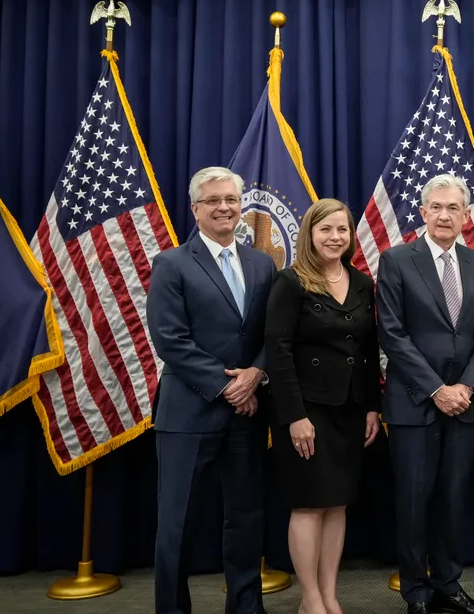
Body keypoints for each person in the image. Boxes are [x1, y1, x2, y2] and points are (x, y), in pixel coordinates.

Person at [148, 166, 277, 614]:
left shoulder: (262, 264)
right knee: (177, 524)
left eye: (231, 199)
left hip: (247, 414)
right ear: (196, 209)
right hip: (189, 413)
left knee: (245, 520)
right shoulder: (171, 264)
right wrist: (228, 387)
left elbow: (271, 335)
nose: (224, 207)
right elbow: (170, 339)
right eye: (214, 201)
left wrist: (256, 374)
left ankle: (246, 608)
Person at [377, 173, 474, 614]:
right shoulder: (396, 260)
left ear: (466, 216)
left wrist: (464, 387)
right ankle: (417, 592)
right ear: (423, 212)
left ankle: (449, 585)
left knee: (453, 498)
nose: (445, 215)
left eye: (454, 208)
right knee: (413, 499)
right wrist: (435, 389)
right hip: (414, 403)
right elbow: (392, 334)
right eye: (437, 207)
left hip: (464, 403)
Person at [264, 198, 381, 614]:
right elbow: (277, 352)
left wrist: (371, 406)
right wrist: (295, 416)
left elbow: (368, 350)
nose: (335, 238)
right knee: (309, 503)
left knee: (337, 503)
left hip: (349, 409)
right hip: (305, 410)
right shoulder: (290, 282)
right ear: (309, 234)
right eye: (326, 230)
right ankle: (310, 598)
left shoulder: (363, 282)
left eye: (342, 231)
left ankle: (330, 593)